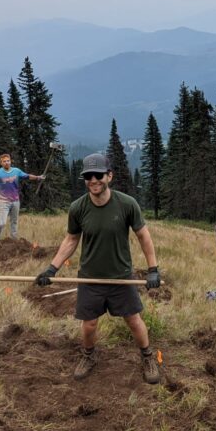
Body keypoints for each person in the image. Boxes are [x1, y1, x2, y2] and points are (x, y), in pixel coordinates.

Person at [35, 153, 162, 384]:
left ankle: (147, 356)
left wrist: (153, 268)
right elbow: (71, 240)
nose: (93, 180)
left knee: (133, 320)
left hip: (121, 277)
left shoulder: (127, 204)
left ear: (109, 176)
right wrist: (52, 269)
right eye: (88, 176)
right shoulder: (78, 208)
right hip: (90, 278)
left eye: (98, 175)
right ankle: (89, 355)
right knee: (89, 324)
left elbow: (143, 236)